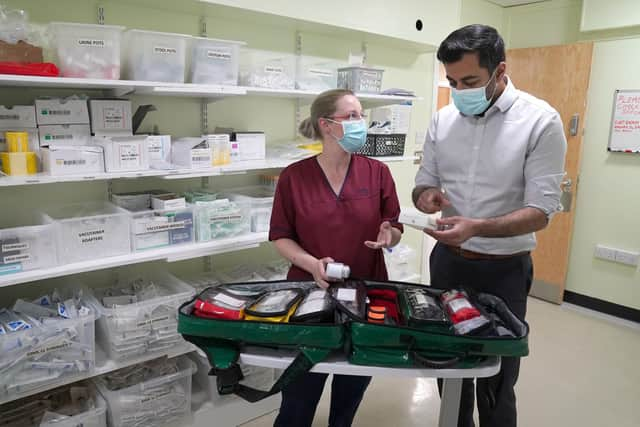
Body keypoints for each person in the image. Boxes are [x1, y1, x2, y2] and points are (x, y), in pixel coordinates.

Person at [413, 24, 567, 427]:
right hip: (448, 264)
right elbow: (423, 183)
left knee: (497, 380)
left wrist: (476, 227)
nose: (459, 89)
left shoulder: (540, 122)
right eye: (451, 81)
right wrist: (426, 195)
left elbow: (541, 211)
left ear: (500, 71)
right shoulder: (443, 120)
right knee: (448, 367)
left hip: (504, 270)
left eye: (469, 81)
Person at [269, 89, 404, 427]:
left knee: (350, 391)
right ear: (326, 125)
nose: (363, 123)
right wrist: (312, 264)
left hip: (367, 297)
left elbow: (395, 225)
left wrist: (391, 235)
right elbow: (281, 237)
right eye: (353, 115)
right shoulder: (294, 177)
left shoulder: (377, 172)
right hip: (311, 296)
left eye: (361, 115)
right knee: (299, 397)